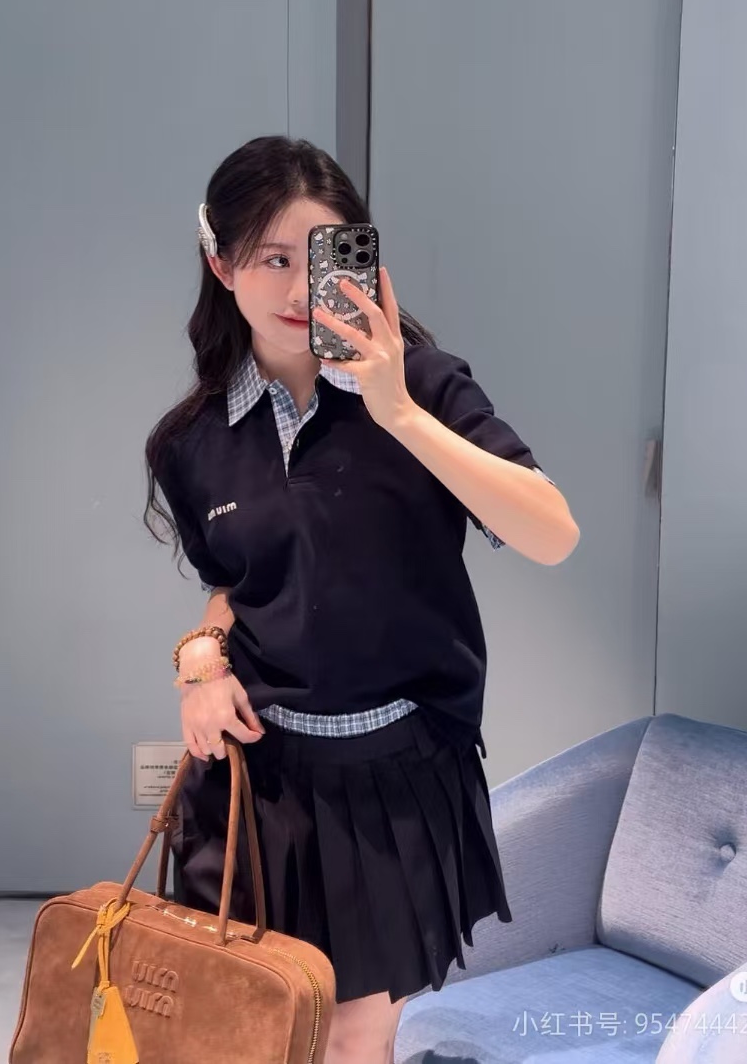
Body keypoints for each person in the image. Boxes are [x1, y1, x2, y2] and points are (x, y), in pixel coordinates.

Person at [143, 135, 580, 1064]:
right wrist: (200, 663)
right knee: (247, 1022)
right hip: (257, 781)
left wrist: (400, 413)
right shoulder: (193, 443)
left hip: (390, 781)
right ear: (221, 264)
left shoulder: (423, 385)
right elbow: (238, 584)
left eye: (322, 254)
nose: (299, 288)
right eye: (271, 258)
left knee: (351, 1036)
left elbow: (552, 531)